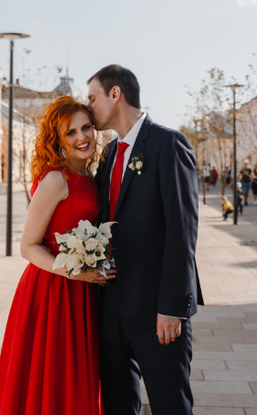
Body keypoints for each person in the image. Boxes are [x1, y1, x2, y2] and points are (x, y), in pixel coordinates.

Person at [87, 65, 203, 415]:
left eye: (92, 98)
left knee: (170, 405)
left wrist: (172, 307)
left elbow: (183, 231)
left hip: (157, 310)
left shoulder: (168, 144)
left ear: (115, 94)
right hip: (111, 309)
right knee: (117, 406)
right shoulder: (108, 154)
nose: (88, 107)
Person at [0, 96, 111, 415]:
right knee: (51, 373)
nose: (82, 137)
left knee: (74, 378)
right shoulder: (56, 180)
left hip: (81, 291)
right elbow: (28, 246)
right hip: (51, 289)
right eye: (71, 132)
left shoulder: (91, 177)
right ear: (58, 139)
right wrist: (75, 272)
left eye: (86, 127)